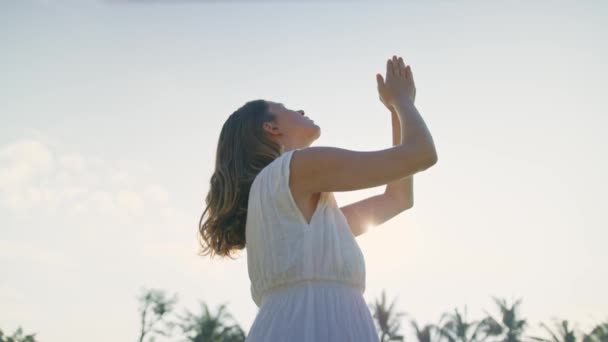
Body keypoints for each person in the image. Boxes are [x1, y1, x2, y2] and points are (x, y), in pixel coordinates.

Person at [198, 55, 438, 341]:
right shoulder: (297, 168)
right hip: (315, 323)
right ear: (272, 128)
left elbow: (398, 198)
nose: (299, 109)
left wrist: (395, 112)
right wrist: (403, 101)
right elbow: (422, 154)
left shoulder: (284, 204)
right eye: (286, 109)